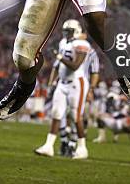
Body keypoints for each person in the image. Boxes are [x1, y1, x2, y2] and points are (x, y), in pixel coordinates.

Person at [35, 20, 91, 159]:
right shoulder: (63, 42)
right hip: (62, 83)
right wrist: (53, 81)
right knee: (56, 112)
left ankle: (82, 148)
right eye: (65, 31)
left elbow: (75, 66)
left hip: (77, 83)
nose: (66, 33)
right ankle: (48, 146)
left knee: (75, 116)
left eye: (69, 31)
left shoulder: (82, 44)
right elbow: (58, 65)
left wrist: (59, 57)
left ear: (76, 31)